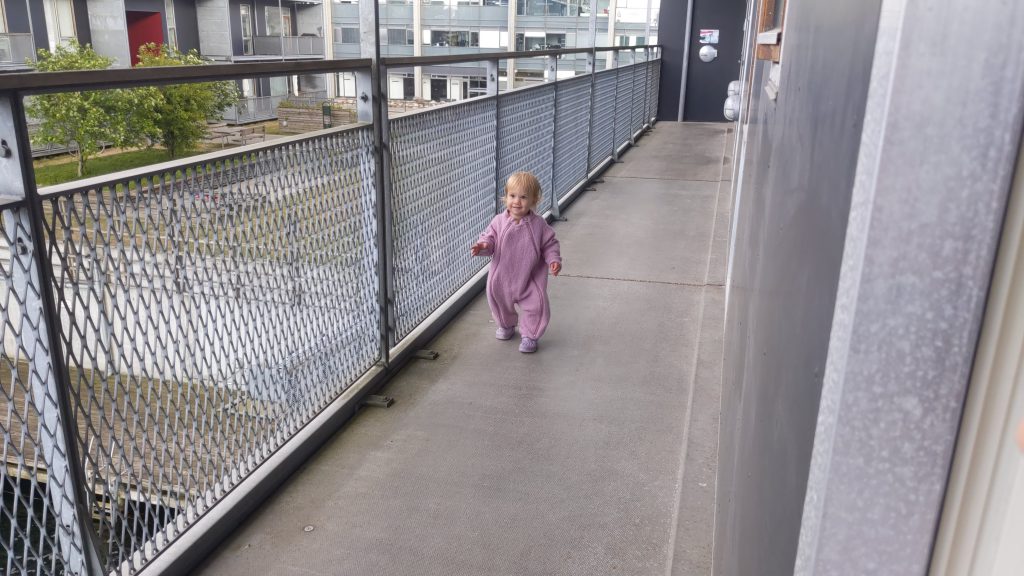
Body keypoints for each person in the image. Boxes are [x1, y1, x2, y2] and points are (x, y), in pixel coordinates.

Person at [471, 172, 562, 353]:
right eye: (512, 196)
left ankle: (530, 335)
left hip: (529, 277)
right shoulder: (498, 221)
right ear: (506, 197)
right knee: (499, 303)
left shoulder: (539, 224)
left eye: (523, 197)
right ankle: (506, 325)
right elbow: (489, 238)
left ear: (534, 200)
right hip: (502, 277)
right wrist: (483, 246)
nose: (516, 202)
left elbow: (550, 243)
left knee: (536, 305)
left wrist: (553, 259)